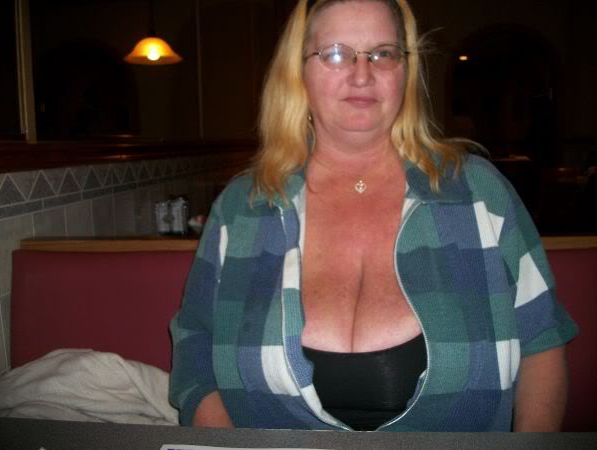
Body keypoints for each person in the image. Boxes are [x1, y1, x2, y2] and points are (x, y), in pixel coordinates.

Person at [169, 0, 578, 431]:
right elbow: (195, 349)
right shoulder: (242, 207)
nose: (362, 74)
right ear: (297, 72)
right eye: (336, 53)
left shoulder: (480, 193)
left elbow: (542, 341)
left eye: (383, 53)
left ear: (406, 70)